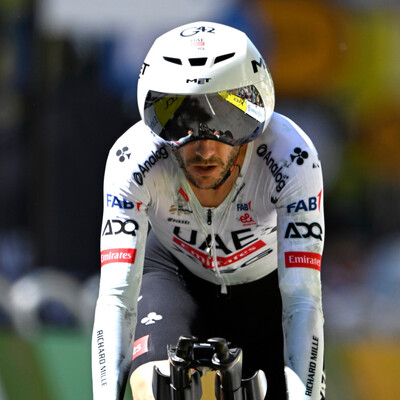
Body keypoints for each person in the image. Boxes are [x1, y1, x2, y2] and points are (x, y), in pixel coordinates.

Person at [91, 21, 326, 400]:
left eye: (228, 122)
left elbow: (302, 299)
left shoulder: (291, 156)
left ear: (256, 114)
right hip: (175, 278)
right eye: (181, 123)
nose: (204, 148)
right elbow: (116, 297)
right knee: (153, 387)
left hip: (267, 294)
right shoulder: (132, 159)